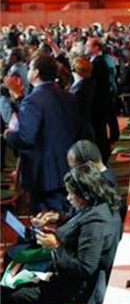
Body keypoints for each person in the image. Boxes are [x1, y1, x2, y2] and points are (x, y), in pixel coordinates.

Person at [1, 163, 122, 304]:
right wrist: (60, 219)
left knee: (9, 298)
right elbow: (78, 228)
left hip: (73, 288)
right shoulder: (100, 207)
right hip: (63, 276)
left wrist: (56, 246)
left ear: (85, 194)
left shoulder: (96, 223)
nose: (68, 198)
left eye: (71, 194)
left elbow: (84, 268)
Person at [4, 53, 80, 213]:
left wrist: (9, 134)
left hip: (43, 175)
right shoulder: (68, 96)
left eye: (30, 68)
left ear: (36, 73)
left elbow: (26, 138)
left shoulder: (33, 100)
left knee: (45, 223)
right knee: (64, 216)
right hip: (68, 166)